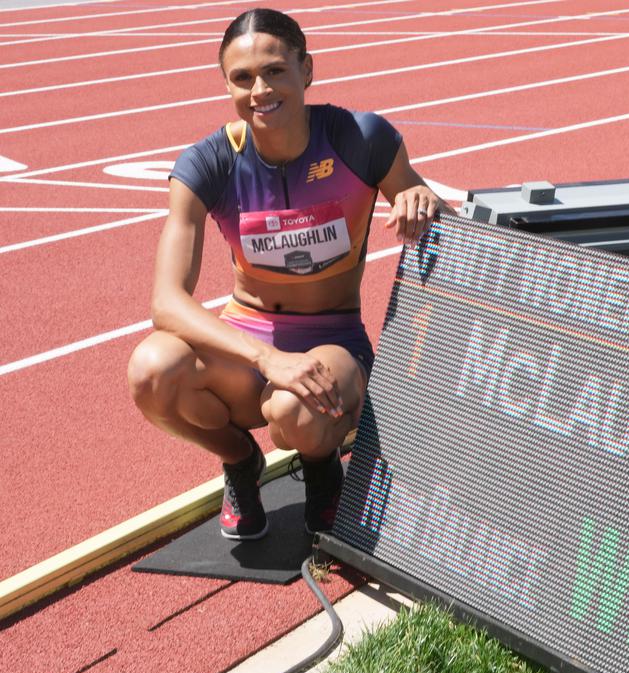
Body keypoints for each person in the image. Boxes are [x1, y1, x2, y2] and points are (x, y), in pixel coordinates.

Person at [127, 8, 444, 539]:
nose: (260, 90)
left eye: (275, 71)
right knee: (151, 370)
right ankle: (240, 461)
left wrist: (423, 197)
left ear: (307, 70)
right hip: (247, 345)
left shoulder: (360, 138)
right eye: (242, 78)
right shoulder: (206, 164)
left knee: (295, 410)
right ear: (227, 84)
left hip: (333, 340)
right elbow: (166, 303)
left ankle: (322, 469)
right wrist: (268, 358)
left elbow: (436, 221)